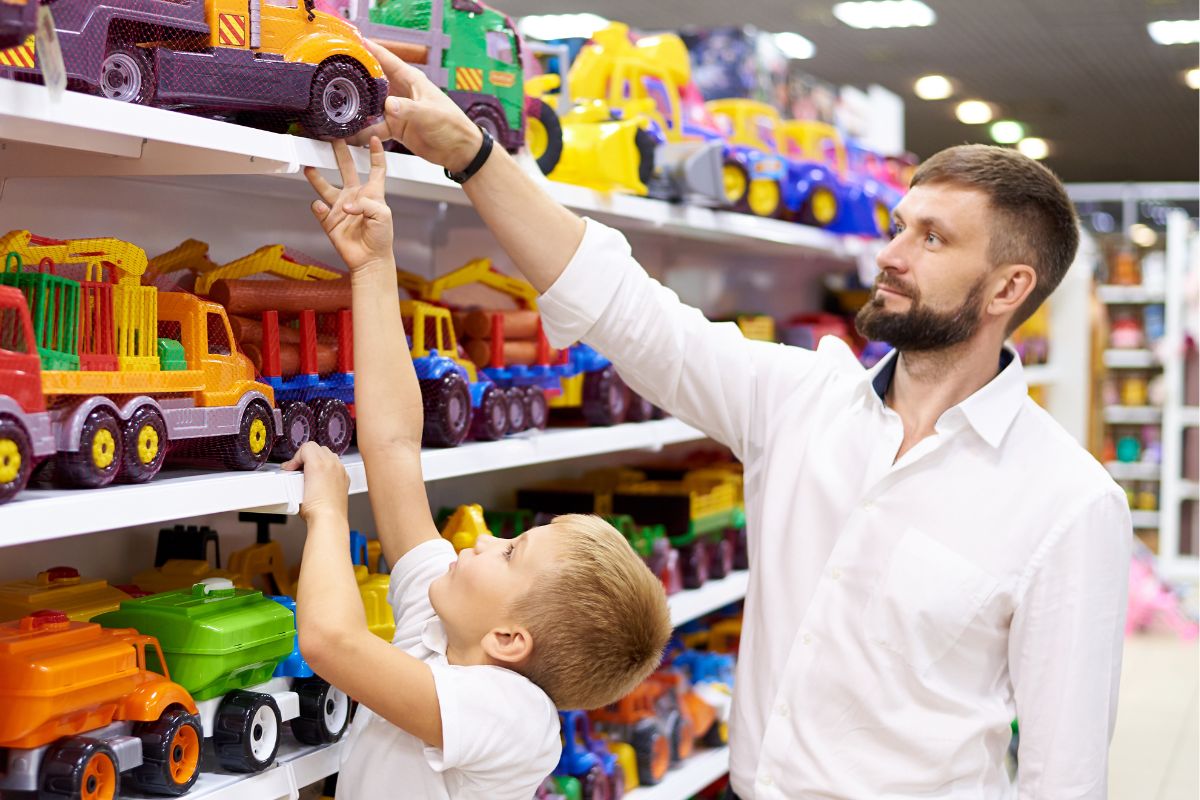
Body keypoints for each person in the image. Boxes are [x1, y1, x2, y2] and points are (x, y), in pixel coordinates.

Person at [347, 39, 1133, 800]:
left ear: (1006, 291)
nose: (891, 254)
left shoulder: (1068, 503)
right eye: (899, 225)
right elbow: (623, 306)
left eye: (933, 239)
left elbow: (1065, 779)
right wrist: (473, 154)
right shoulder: (801, 402)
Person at [283, 137, 673, 800]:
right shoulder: (447, 623)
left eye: (512, 552)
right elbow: (397, 448)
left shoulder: (515, 719)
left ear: (509, 637)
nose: (484, 537)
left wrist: (326, 510)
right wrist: (374, 266)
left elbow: (331, 642)